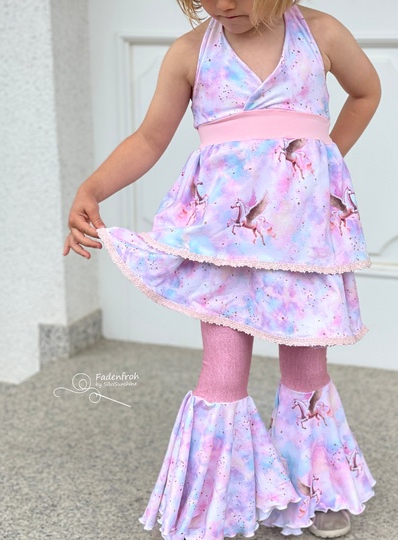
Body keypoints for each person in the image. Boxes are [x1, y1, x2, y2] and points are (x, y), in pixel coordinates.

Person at [64, 0, 381, 537]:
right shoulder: (191, 53)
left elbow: (366, 91)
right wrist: (91, 188)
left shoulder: (321, 34)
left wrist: (322, 163)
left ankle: (314, 490)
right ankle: (218, 501)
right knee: (221, 376)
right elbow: (149, 138)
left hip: (303, 241)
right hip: (222, 245)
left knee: (306, 369)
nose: (221, 4)